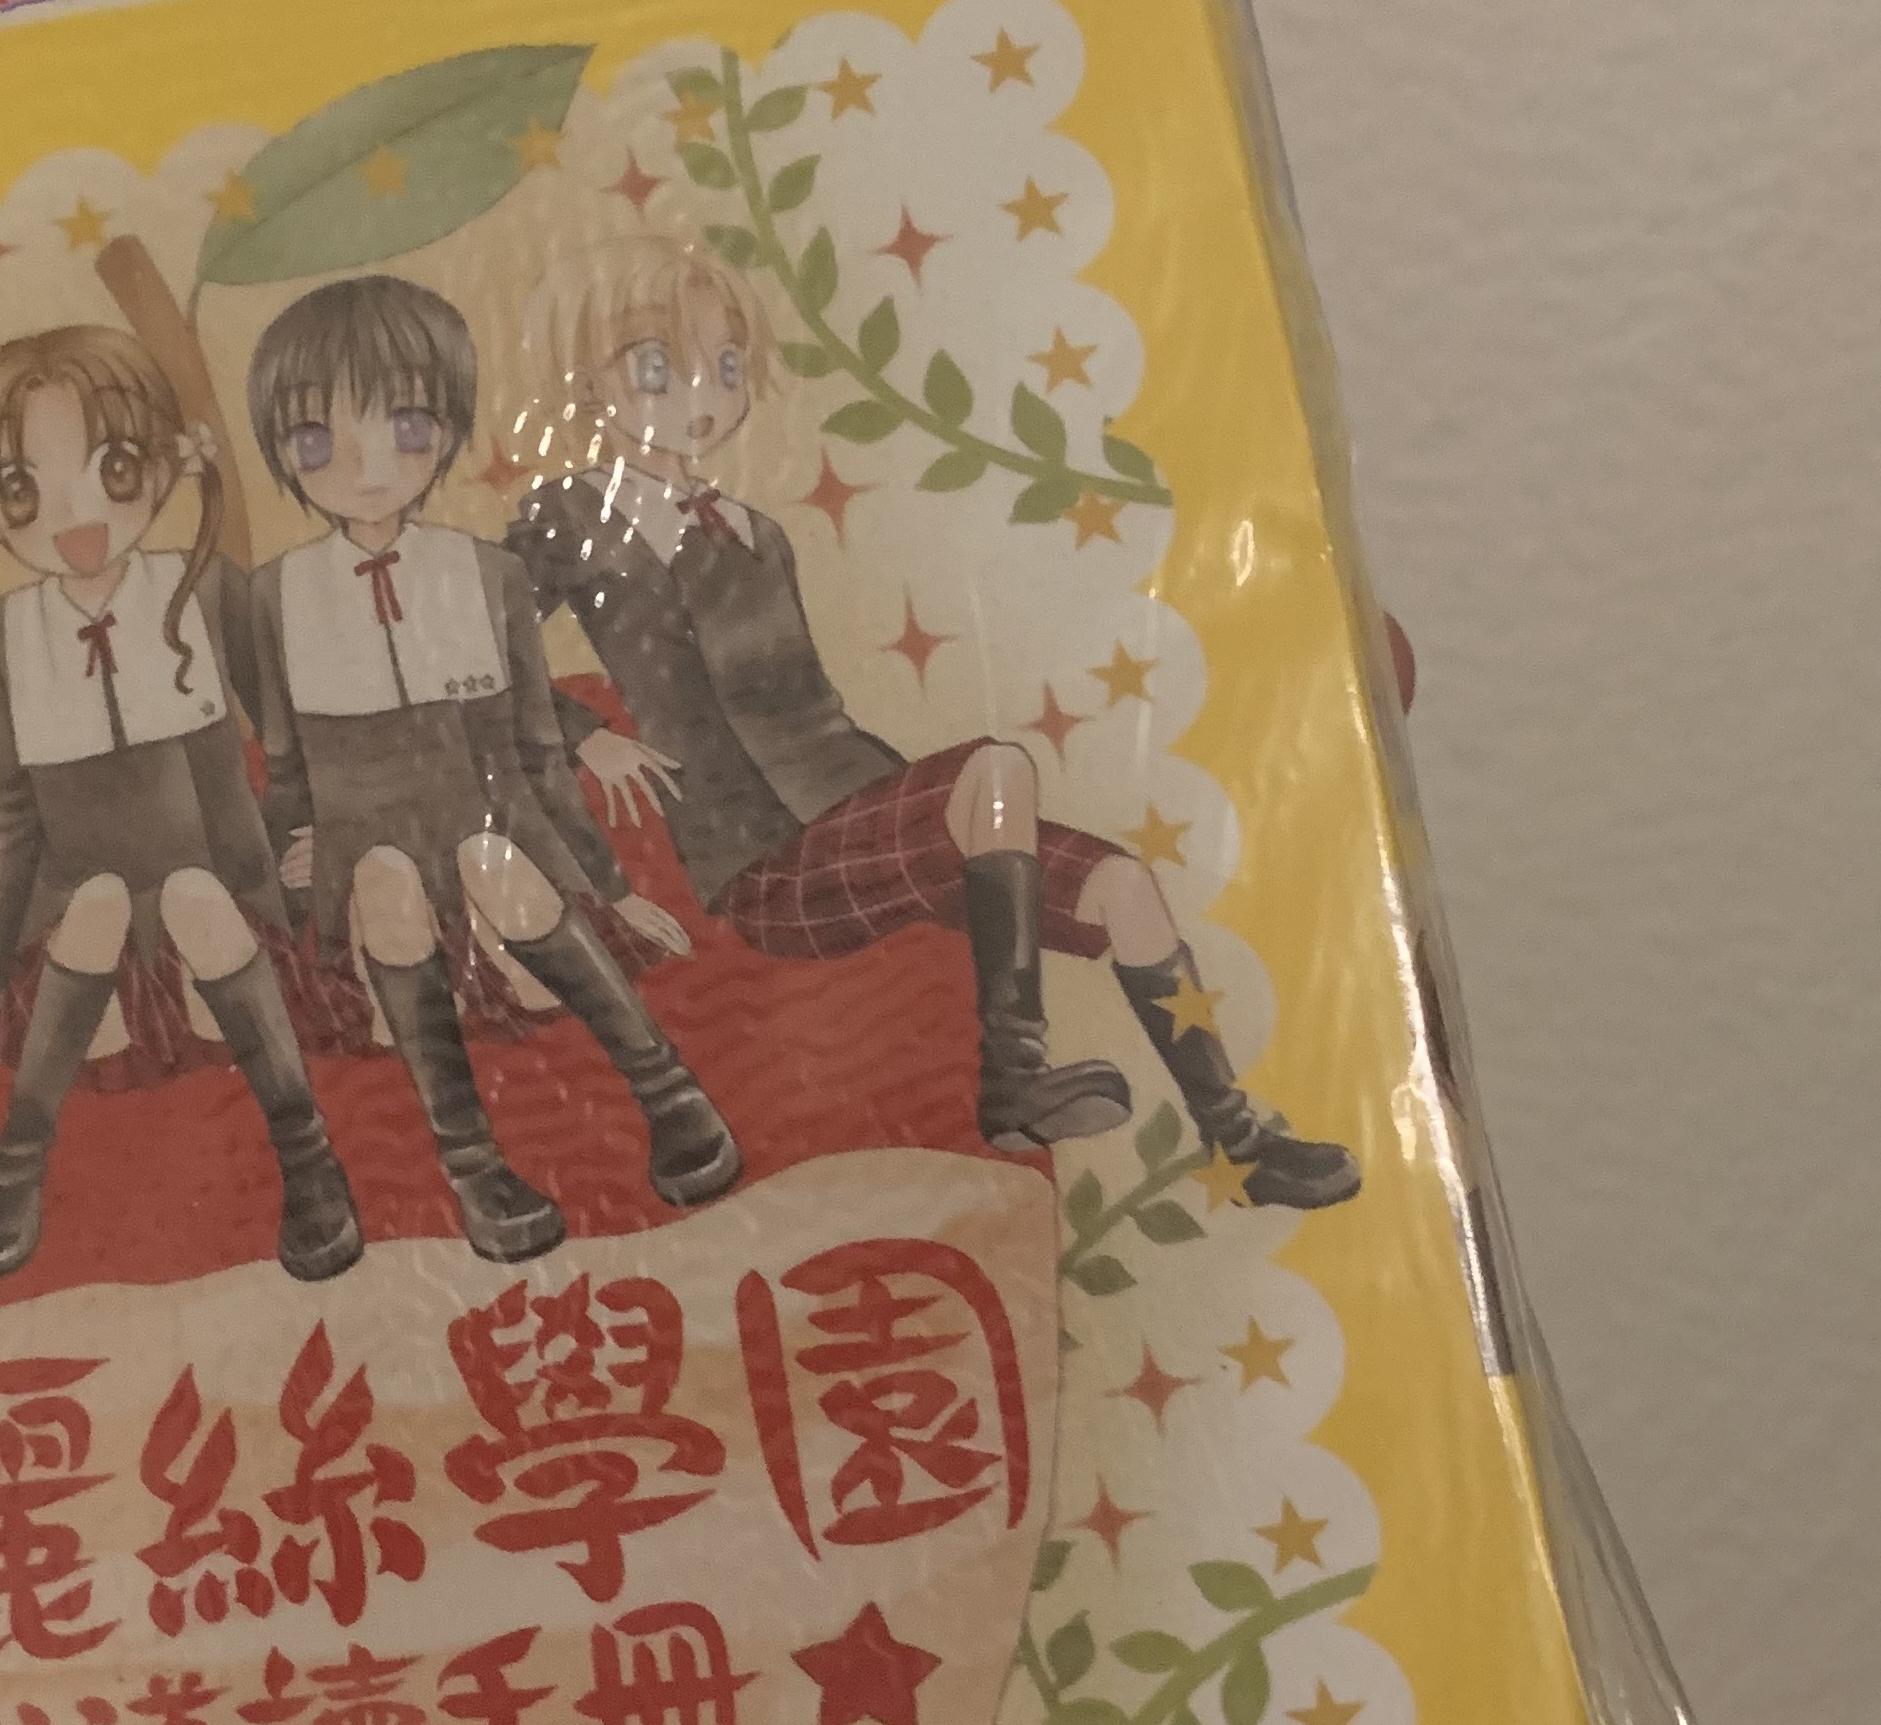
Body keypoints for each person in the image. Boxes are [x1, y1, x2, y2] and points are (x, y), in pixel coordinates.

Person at [510, 234, 1359, 1209]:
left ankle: (1241, 1139)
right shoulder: (573, 514)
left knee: (1125, 886)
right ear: (585, 381)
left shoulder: (755, 533)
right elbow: (481, 654)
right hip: (761, 861)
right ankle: (1015, 1071)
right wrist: (587, 732)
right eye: (658, 365)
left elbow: (806, 711)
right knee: (996, 768)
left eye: (727, 365)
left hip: (860, 813)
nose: (703, 394)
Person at [246, 271, 733, 1259]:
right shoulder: (272, 596)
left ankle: (667, 1088)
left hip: (484, 808)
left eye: (405, 427)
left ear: (447, 430)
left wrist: (606, 885)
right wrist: (289, 853)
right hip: (360, 832)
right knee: (386, 885)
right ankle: (474, 1167)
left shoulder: (487, 573)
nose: (367, 467)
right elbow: (287, 762)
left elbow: (537, 748)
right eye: (319, 439)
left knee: (492, 860)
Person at [0, 323, 362, 1286]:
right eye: (25, 489)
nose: (77, 514)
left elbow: (289, 752)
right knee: (98, 894)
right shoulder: (2, 631)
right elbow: (17, 828)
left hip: (219, 920)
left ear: (167, 463)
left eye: (115, 469)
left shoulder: (204, 588)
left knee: (191, 889)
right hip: (85, 944)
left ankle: (308, 1154)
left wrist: (307, 868)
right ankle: (17, 1163)